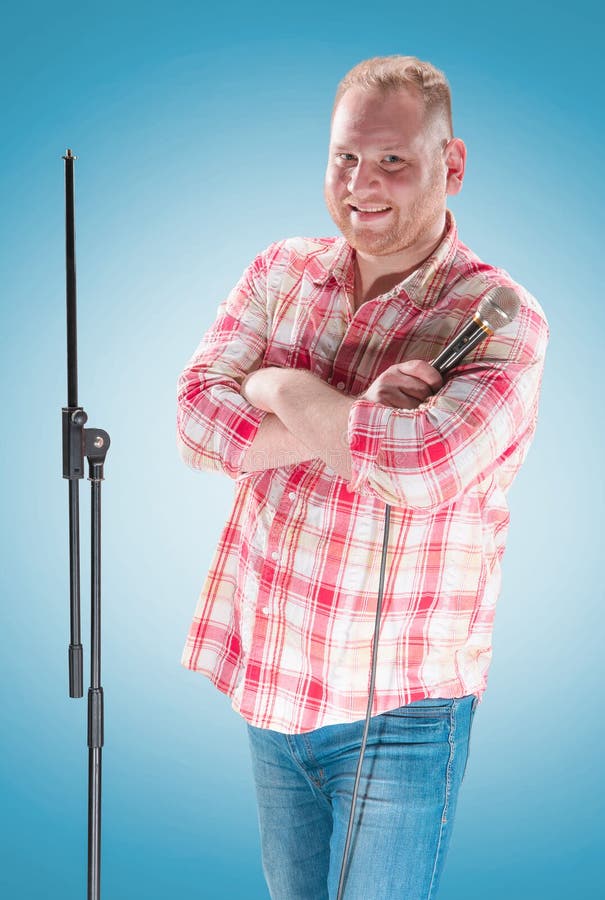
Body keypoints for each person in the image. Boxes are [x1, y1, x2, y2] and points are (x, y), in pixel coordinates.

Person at [176, 55, 548, 900]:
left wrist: (273, 387)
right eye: (345, 157)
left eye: (391, 160)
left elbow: (413, 470)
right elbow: (196, 424)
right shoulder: (281, 271)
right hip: (274, 684)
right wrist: (345, 413)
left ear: (450, 166)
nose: (361, 183)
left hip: (403, 712)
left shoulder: (499, 317)